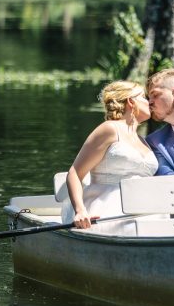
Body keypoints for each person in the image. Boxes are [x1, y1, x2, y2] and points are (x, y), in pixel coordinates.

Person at [62, 80, 159, 232]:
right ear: (131, 102)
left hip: (143, 205)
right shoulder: (109, 129)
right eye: (144, 97)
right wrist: (80, 210)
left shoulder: (143, 140)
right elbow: (74, 174)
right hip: (108, 206)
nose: (150, 102)